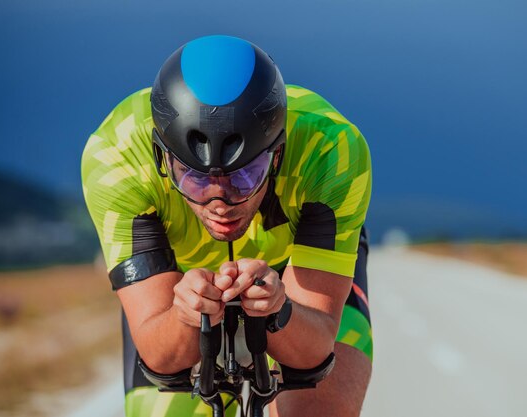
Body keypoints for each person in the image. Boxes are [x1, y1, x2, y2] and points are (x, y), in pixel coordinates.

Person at [81, 35, 372, 417]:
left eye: (244, 177)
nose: (220, 204)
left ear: (278, 153)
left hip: (293, 271)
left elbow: (316, 345)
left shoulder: (332, 150)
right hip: (177, 283)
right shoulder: (117, 157)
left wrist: (281, 309)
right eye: (194, 180)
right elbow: (160, 354)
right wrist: (184, 315)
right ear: (160, 158)